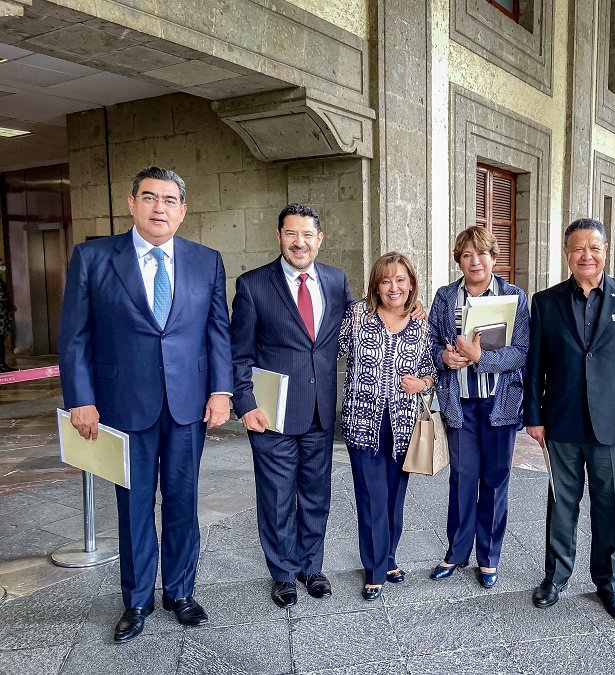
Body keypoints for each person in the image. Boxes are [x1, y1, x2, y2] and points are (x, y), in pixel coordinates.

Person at [58, 167, 232, 643]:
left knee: (183, 500)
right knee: (133, 504)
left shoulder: (206, 261)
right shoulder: (94, 257)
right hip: (122, 404)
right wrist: (81, 399)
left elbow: (218, 330)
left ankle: (181, 592)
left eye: (170, 200)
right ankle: (136, 600)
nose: (160, 208)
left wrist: (221, 391)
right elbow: (75, 336)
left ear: (183, 211)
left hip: (187, 404)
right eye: (150, 197)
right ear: (132, 203)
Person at [524, 218, 615, 621]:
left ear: (605, 250)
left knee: (608, 505)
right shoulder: (545, 302)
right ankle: (555, 577)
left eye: (594, 247)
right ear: (567, 253)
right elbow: (535, 365)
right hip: (560, 419)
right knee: (561, 503)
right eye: (578, 248)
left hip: (612, 421)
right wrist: (534, 415)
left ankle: (609, 582)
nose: (586, 255)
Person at [230, 204, 353, 608]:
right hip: (272, 413)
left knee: (317, 495)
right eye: (291, 234)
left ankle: (311, 566)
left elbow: (360, 325)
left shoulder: (335, 281)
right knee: (277, 497)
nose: (299, 242)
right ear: (279, 236)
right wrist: (245, 403)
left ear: (320, 239)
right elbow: (239, 353)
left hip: (320, 411)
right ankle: (283, 573)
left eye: (307, 235)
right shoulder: (253, 285)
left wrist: (409, 311)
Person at [427, 226, 529, 588]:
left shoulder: (513, 296)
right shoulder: (445, 297)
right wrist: (443, 357)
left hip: (500, 404)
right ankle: (456, 552)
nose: (475, 261)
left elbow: (521, 351)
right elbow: (429, 343)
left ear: (493, 257)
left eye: (482, 253)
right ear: (459, 260)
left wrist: (480, 358)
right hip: (460, 404)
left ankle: (488, 557)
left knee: (495, 481)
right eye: (467, 255)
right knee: (462, 479)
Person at [338, 252, 436, 601]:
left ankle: (389, 558)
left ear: (411, 284)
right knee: (371, 498)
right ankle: (375, 569)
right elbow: (330, 349)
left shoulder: (422, 325)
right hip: (362, 422)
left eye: (400, 280)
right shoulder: (357, 315)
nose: (393, 287)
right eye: (385, 280)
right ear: (376, 286)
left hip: (403, 425)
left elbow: (433, 371)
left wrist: (423, 384)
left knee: (394, 499)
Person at [0, 260, 15, 372]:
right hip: (1, 316)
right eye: (1, 265)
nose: (3, 267)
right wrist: (9, 305)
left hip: (3, 315)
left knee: (1, 341)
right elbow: (2, 297)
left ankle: (2, 363)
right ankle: (1, 364)